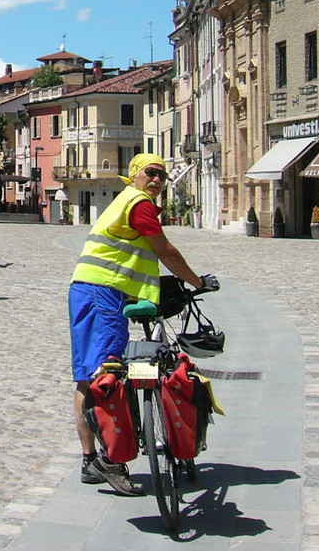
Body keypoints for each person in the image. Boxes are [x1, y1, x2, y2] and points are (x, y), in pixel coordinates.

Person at [69, 153, 218, 496]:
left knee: (88, 376)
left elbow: (135, 255)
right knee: (104, 374)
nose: (157, 180)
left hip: (96, 290)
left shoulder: (129, 202)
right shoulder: (138, 202)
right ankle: (109, 462)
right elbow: (164, 250)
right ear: (135, 175)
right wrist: (197, 282)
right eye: (151, 173)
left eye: (163, 176)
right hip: (102, 292)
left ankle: (91, 459)